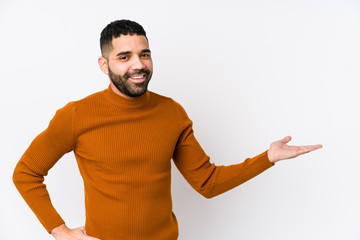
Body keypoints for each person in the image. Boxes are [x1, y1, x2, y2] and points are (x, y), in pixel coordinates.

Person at [12, 19, 322, 240]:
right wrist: (60, 231)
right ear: (104, 65)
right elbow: (26, 173)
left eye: (144, 54)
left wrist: (267, 158)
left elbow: (208, 182)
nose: (139, 64)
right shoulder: (77, 115)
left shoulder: (171, 112)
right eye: (124, 57)